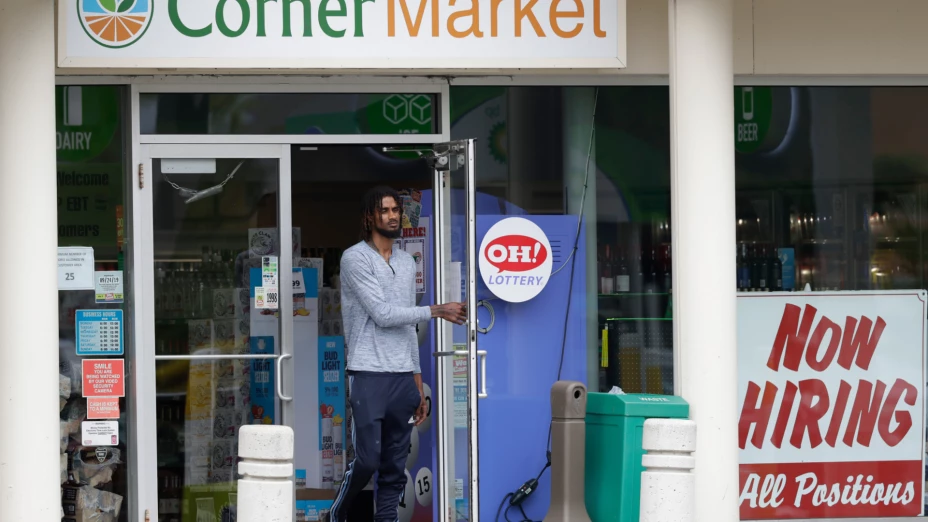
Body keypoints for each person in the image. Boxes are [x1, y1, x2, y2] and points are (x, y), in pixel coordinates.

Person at [332, 185, 467, 522]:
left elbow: (407, 325)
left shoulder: (407, 262)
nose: (393, 217)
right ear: (369, 217)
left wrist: (417, 381)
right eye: (385, 211)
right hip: (367, 373)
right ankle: (336, 514)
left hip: (402, 379)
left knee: (393, 466)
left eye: (396, 211)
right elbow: (383, 314)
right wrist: (436, 310)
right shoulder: (354, 258)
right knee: (367, 459)